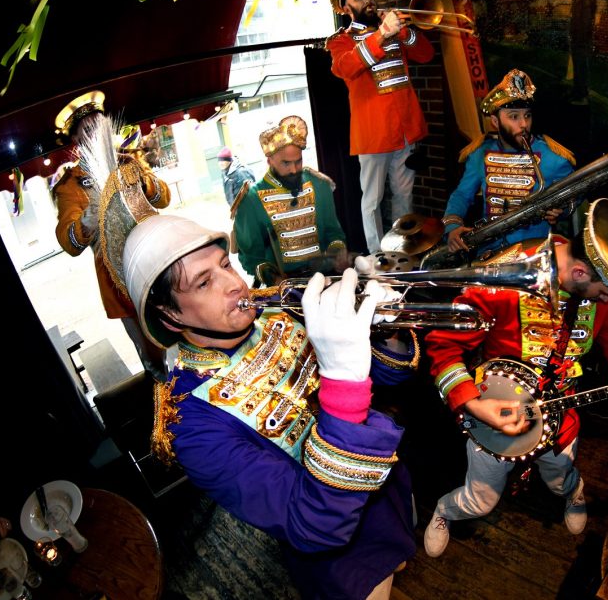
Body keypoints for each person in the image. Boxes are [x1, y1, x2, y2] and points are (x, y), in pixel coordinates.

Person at [121, 213, 419, 599]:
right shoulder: (189, 423)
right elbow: (313, 524)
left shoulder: (278, 305)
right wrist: (342, 380)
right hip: (343, 554)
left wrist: (385, 326)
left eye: (226, 264)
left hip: (385, 486)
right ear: (171, 315)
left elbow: (391, 375)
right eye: (204, 282)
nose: (234, 284)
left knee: (401, 550)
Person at [422, 198, 608, 558]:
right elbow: (443, 346)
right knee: (480, 501)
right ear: (580, 273)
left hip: (561, 415)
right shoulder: (503, 279)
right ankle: (445, 510)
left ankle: (572, 492)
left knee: (559, 479)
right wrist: (473, 404)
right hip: (493, 413)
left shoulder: (593, 278)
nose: (606, 301)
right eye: (604, 293)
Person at [50, 90, 171, 380]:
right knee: (152, 356)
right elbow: (69, 242)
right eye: (87, 130)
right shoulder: (71, 185)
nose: (95, 134)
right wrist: (89, 219)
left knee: (183, 329)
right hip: (119, 280)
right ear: (76, 140)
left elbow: (163, 198)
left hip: (156, 261)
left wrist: (143, 181)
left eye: (99, 126)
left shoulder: (127, 162)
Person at [327, 0, 435, 253]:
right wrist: (382, 35)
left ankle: (401, 249)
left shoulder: (395, 32)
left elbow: (426, 54)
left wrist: (404, 32)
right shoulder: (340, 41)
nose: (368, 1)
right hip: (373, 135)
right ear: (346, 8)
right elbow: (346, 67)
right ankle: (377, 256)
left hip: (406, 130)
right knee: (372, 201)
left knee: (404, 196)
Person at [442, 69, 576, 258]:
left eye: (527, 115)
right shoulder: (480, 153)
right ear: (495, 121)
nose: (524, 124)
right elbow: (462, 195)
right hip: (489, 251)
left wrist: (561, 210)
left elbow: (575, 195)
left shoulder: (553, 156)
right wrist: (452, 226)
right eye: (514, 116)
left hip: (535, 252)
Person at [233, 116, 348, 287]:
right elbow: (251, 257)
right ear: (269, 160)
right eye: (286, 163)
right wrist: (274, 279)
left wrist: (337, 253)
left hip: (326, 277)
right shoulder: (251, 199)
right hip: (284, 285)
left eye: (298, 161)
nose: (294, 170)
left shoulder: (319, 185)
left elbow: (334, 233)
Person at [568, 0, 597, 106]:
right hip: (577, 38)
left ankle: (582, 96)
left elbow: (588, 19)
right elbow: (574, 16)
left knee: (581, 68)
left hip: (583, 39)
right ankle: (578, 92)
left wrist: (585, 38)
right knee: (578, 67)